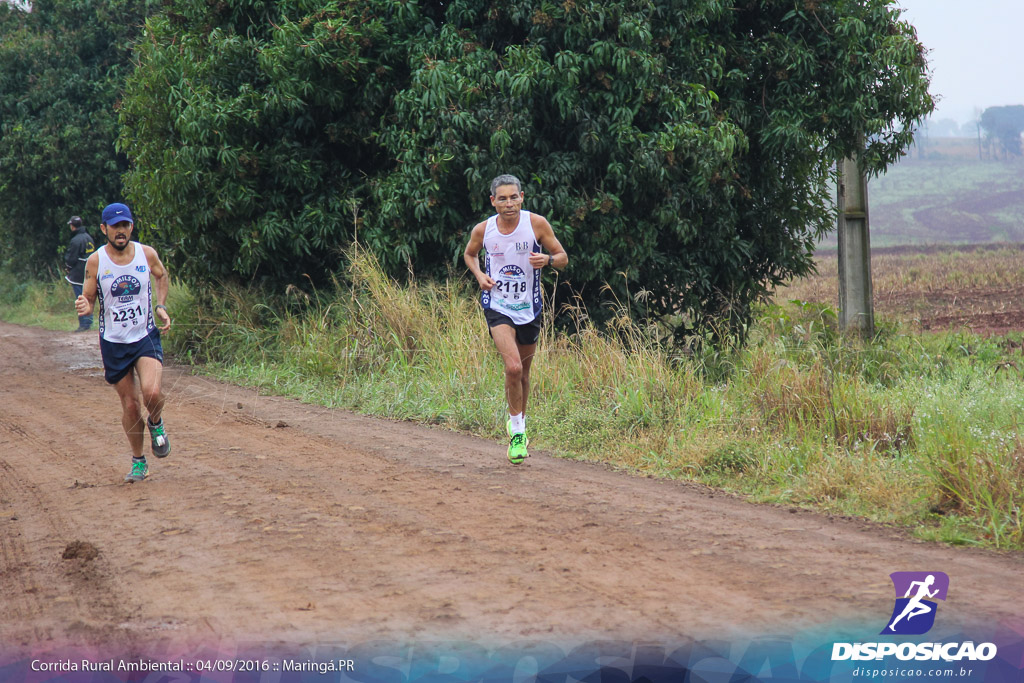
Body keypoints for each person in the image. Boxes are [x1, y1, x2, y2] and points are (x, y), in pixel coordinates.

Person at [464, 174, 568, 464]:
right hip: (497, 306)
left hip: (529, 309)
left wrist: (546, 260)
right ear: (493, 201)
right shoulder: (484, 230)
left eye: (514, 197)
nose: (509, 204)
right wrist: (479, 275)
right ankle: (518, 434)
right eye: (503, 198)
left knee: (523, 373)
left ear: (522, 197)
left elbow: (562, 257)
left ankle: (519, 421)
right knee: (511, 367)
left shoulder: (535, 224)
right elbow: (469, 255)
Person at [75, 203, 172, 483]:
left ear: (131, 226)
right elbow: (89, 299)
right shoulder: (96, 261)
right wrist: (85, 306)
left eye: (125, 225)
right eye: (115, 226)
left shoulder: (146, 253)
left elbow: (161, 274)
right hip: (114, 342)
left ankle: (155, 422)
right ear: (104, 229)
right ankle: (139, 461)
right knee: (130, 405)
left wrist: (161, 306)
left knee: (152, 394)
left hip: (144, 336)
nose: (121, 231)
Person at [64, 215, 96, 332]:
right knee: (89, 296)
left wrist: (68, 267)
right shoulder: (89, 237)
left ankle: (84, 324)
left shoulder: (75, 240)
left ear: (72, 226)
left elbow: (71, 259)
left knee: (80, 298)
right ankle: (88, 322)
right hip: (89, 273)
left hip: (78, 274)